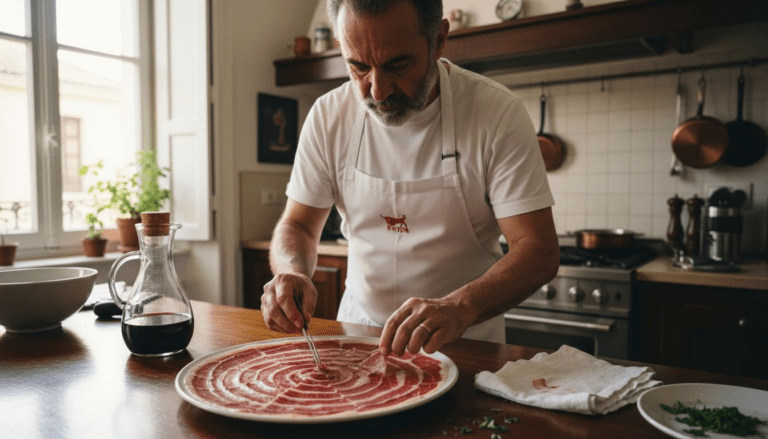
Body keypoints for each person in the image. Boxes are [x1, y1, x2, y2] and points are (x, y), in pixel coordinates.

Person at [261, 0, 559, 358]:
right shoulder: (328, 116)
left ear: (439, 40)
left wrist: (460, 306)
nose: (377, 91)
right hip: (360, 337)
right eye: (358, 67)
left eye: (397, 65)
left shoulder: (496, 113)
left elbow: (537, 248)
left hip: (466, 343)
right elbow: (298, 225)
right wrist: (292, 272)